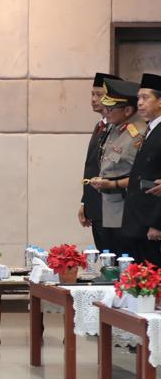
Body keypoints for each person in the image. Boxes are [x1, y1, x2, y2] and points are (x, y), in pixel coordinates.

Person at [87, 78, 144, 255]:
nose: (106, 112)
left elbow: (140, 175)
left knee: (127, 258)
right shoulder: (114, 128)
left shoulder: (137, 134)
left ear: (127, 110)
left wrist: (112, 184)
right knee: (111, 258)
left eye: (110, 109)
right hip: (108, 206)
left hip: (126, 207)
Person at [122, 73, 161, 266]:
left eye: (145, 98)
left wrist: (157, 223)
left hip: (152, 220)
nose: (139, 103)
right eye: (138, 98)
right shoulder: (150, 129)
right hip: (138, 220)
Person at [79, 74, 112, 250]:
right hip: (96, 206)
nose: (93, 99)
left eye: (99, 94)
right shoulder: (99, 126)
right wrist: (86, 203)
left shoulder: (116, 128)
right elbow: (92, 167)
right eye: (92, 94)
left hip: (110, 208)